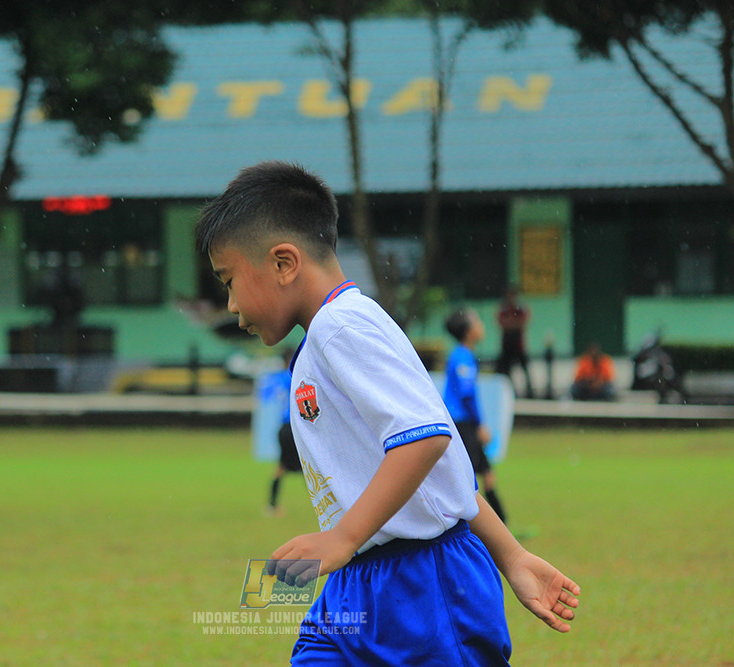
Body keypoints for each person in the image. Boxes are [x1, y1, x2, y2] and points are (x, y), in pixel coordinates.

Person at [196, 161, 579, 665]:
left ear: (284, 263)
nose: (229, 303)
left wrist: (342, 536)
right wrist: (512, 554)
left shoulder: (343, 327)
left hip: (424, 583)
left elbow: (425, 441)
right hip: (358, 582)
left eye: (229, 280)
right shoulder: (324, 338)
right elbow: (438, 471)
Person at [443, 308, 507, 524]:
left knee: (487, 473)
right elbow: (466, 395)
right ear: (469, 331)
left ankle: (503, 525)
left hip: (466, 421)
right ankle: (471, 528)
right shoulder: (462, 356)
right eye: (477, 321)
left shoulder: (464, 354)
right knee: (467, 480)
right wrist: (480, 425)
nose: (482, 325)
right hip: (462, 423)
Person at [267, 348, 302, 516]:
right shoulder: (294, 375)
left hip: (284, 428)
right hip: (293, 427)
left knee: (282, 467)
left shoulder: (279, 377)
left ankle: (272, 506)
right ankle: (324, 505)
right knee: (308, 467)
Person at [495, 286, 534, 398]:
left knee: (525, 369)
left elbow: (524, 321)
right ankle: (508, 392)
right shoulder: (503, 309)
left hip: (518, 344)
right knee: (505, 371)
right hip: (506, 344)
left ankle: (529, 392)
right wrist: (513, 325)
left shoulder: (520, 308)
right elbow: (501, 322)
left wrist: (511, 324)